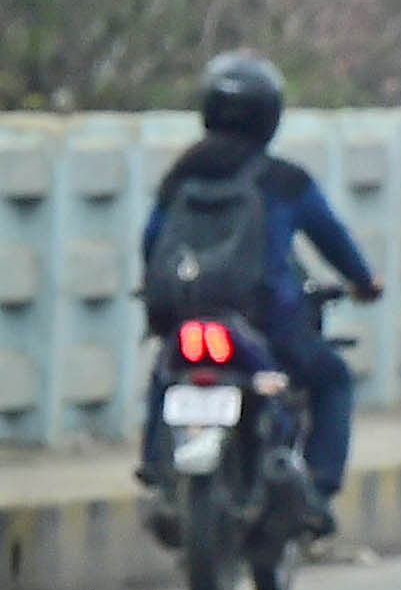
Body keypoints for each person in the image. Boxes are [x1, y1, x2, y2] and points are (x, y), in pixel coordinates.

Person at [134, 53, 384, 538]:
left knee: (167, 373)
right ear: (270, 115)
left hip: (184, 314)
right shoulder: (284, 180)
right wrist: (364, 281)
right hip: (266, 322)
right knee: (332, 379)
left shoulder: (182, 176)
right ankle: (319, 487)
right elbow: (332, 239)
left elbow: (152, 242)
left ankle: (154, 468)